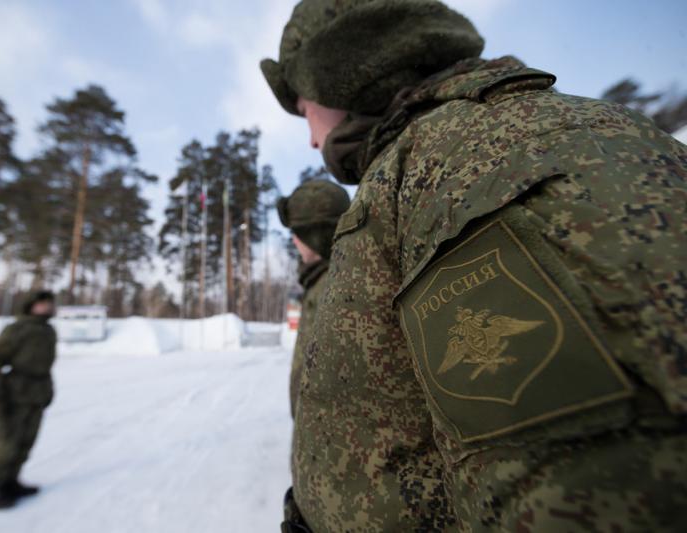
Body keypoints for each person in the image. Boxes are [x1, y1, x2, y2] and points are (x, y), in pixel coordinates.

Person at [261, 1, 687, 531]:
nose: (310, 138)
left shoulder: (468, 159)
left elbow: (585, 491)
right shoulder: (418, 169)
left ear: (338, 72)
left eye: (304, 111)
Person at [277, 179, 351, 418]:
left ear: (316, 236)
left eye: (298, 233)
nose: (294, 240)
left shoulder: (338, 290)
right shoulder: (320, 283)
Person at [0, 290, 57, 509]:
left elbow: (46, 366)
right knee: (8, 443)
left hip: (37, 392)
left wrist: (49, 390)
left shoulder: (48, 330)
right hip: (14, 393)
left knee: (26, 441)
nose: (47, 307)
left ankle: (12, 481)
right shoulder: (17, 329)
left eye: (49, 304)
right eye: (41, 303)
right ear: (30, 306)